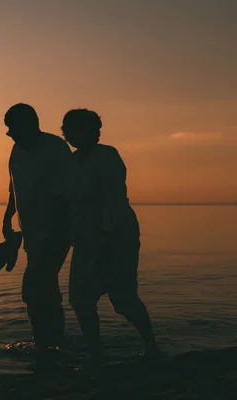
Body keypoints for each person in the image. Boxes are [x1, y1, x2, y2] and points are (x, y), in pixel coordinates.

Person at [60, 108, 159, 366]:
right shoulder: (70, 163)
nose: (68, 134)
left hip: (117, 236)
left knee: (123, 299)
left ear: (93, 132)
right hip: (85, 239)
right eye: (66, 130)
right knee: (81, 299)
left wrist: (106, 240)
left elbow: (113, 199)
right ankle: (95, 355)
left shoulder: (107, 156)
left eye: (73, 129)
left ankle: (151, 347)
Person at [1, 103, 76, 356]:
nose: (11, 135)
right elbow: (14, 190)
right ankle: (51, 344)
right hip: (32, 234)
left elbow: (69, 194)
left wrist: (57, 234)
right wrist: (6, 222)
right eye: (9, 131)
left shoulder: (55, 148)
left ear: (31, 125)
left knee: (34, 287)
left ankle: (46, 345)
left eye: (13, 129)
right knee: (46, 287)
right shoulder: (16, 151)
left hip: (56, 232)